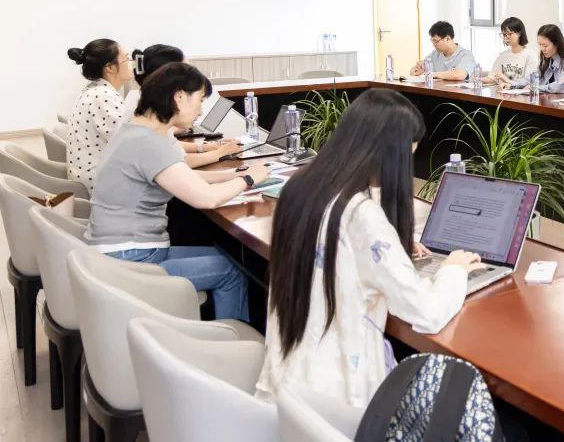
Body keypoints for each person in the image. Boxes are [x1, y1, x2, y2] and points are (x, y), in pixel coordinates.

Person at [256, 89, 484, 407]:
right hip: (338, 403)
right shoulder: (361, 215)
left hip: (289, 384)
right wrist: (453, 270)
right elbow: (427, 313)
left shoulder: (302, 188)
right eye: (406, 157)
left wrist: (391, 246)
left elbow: (338, 254)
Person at [85, 63, 266, 321]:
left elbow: (180, 176)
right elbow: (206, 198)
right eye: (200, 100)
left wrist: (231, 175)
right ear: (179, 97)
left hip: (117, 253)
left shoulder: (134, 131)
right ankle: (228, 339)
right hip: (133, 260)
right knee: (232, 271)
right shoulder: (150, 142)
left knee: (225, 256)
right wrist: (248, 179)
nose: (201, 110)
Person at [123, 44, 242, 167]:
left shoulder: (149, 104)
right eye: (184, 69)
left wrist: (205, 147)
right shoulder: (144, 114)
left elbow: (171, 149)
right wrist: (219, 153)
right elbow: (174, 162)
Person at [66, 39, 134, 192]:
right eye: (127, 58)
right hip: (100, 184)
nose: (131, 62)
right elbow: (130, 142)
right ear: (110, 68)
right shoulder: (103, 96)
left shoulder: (96, 90)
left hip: (94, 176)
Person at [516, 24, 564, 93]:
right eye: (540, 44)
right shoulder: (545, 60)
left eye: (545, 46)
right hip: (549, 99)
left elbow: (560, 86)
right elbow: (531, 79)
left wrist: (536, 87)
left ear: (557, 44)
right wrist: (512, 84)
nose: (542, 49)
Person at [409, 21, 477, 82]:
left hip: (460, 91)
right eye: (432, 41)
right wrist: (418, 70)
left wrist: (432, 74)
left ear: (447, 39)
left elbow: (459, 75)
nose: (433, 45)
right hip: (439, 90)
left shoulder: (466, 55)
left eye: (436, 41)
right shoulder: (435, 54)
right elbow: (412, 72)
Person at [484, 17, 538, 86]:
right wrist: (479, 79)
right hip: (503, 92)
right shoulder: (502, 56)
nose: (506, 37)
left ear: (519, 33)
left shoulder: (530, 55)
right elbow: (492, 78)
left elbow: (529, 82)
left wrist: (506, 80)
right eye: (504, 34)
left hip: (520, 92)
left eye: (509, 34)